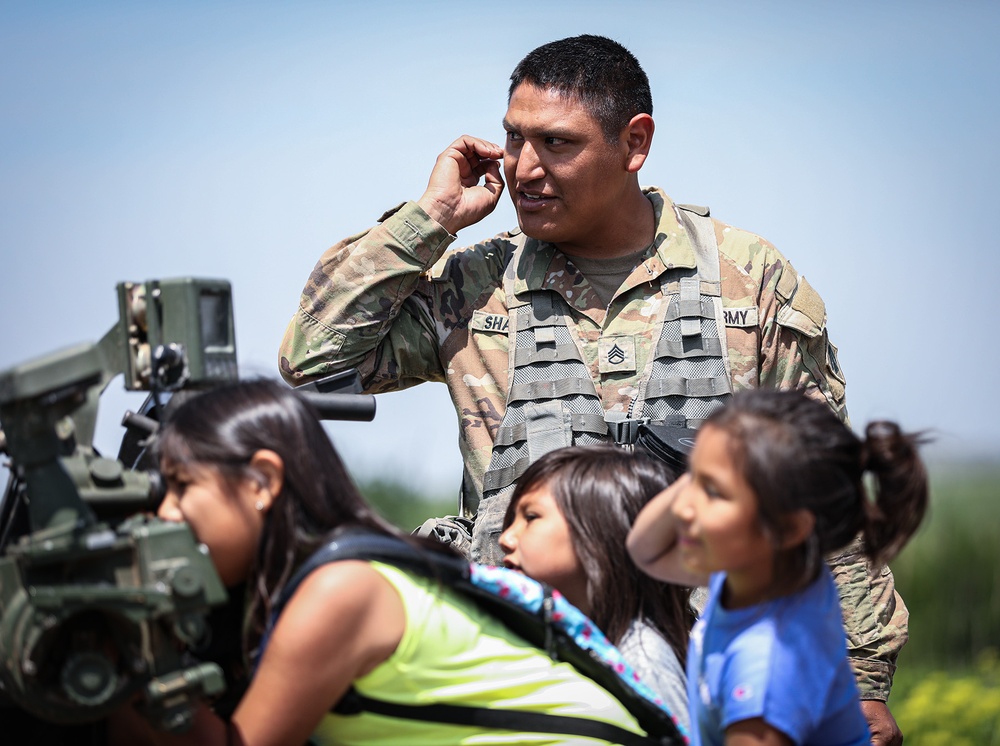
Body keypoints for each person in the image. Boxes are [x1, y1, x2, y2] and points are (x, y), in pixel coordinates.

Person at [278, 34, 904, 741]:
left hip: (702, 675)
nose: (524, 169)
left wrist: (863, 680)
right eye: (513, 139)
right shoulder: (480, 282)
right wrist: (432, 219)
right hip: (514, 669)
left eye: (557, 143)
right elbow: (311, 359)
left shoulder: (747, 281)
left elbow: (819, 493)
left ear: (634, 143)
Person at [112, 379, 668, 745]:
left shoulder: (339, 590)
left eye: (182, 487)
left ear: (262, 481)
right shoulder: (339, 574)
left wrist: (124, 658)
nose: (165, 512)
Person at [626, 389, 929, 746]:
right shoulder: (769, 576)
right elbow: (643, 550)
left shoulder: (763, 676)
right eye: (691, 480)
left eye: (714, 493)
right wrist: (711, 463)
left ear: (787, 528)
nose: (684, 508)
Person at [498, 445, 694, 731]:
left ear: (601, 534)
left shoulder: (641, 661)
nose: (506, 538)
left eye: (530, 517)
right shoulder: (559, 642)